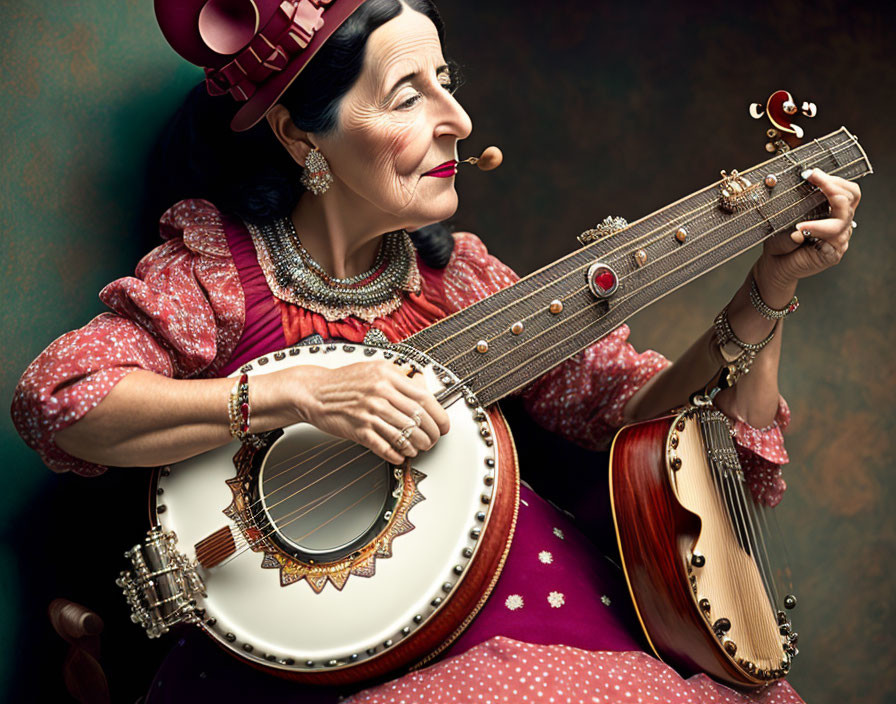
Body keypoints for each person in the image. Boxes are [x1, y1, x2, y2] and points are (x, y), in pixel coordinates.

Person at [10, 0, 861, 702]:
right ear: (303, 137)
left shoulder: (464, 280)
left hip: (530, 606)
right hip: (313, 655)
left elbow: (638, 425)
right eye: (408, 94)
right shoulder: (218, 278)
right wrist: (295, 395)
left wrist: (768, 291)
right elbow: (63, 396)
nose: (456, 120)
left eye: (446, 84)